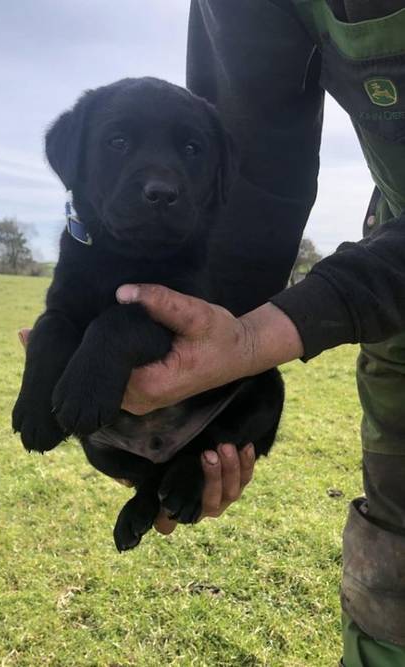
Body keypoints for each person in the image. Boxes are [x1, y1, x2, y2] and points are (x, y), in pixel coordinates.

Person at [114, 2, 405, 666]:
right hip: (395, 292)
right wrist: (186, 397)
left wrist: (258, 340)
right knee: (395, 578)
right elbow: (250, 178)